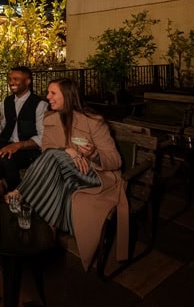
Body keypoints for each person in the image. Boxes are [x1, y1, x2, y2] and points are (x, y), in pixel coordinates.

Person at [7, 78, 129, 272]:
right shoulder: (50, 119)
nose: (48, 97)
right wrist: (68, 150)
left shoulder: (93, 122)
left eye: (53, 93)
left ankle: (20, 192)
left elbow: (115, 160)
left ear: (68, 96)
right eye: (48, 93)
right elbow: (46, 151)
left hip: (94, 176)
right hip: (66, 172)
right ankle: (48, 237)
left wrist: (94, 154)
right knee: (55, 163)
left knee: (55, 157)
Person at [0, 66, 48, 191]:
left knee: (5, 158)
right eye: (10, 79)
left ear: (28, 81)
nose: (11, 82)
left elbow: (43, 137)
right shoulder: (6, 102)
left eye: (16, 79)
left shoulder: (40, 104)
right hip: (6, 142)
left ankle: (16, 192)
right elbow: (2, 128)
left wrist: (18, 145)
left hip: (29, 149)